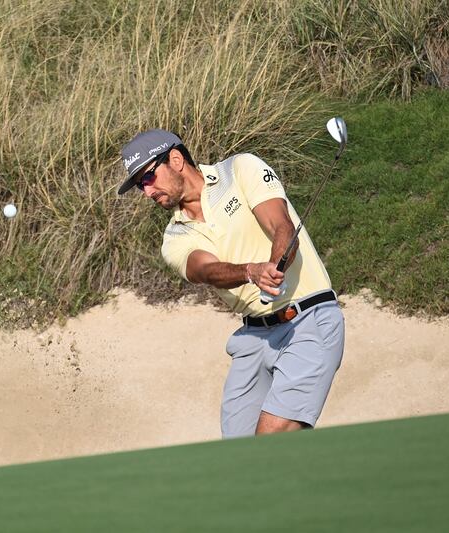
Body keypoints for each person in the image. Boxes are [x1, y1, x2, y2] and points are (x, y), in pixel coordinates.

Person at [118, 129, 345, 438]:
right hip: (253, 338)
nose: (147, 192)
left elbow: (281, 225)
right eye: (140, 187)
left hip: (307, 322)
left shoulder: (239, 169)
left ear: (175, 159)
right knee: (238, 459)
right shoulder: (174, 238)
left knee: (272, 438)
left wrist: (277, 264)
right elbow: (206, 270)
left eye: (147, 178)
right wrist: (251, 272)